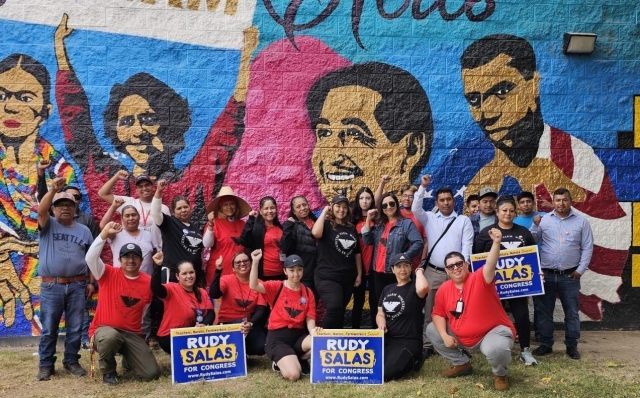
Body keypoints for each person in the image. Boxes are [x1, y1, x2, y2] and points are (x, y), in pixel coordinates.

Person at [460, 34, 627, 320]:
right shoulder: (476, 169)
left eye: (501, 91)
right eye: (475, 99)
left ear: (533, 85)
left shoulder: (574, 157)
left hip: (560, 289)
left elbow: (608, 248)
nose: (486, 112)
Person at [54, 14, 258, 225]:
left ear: (167, 125)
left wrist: (246, 58)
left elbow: (224, 135)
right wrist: (60, 51)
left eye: (147, 119)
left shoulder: (189, 184)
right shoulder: (108, 176)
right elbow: (76, 123)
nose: (137, 131)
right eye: (126, 122)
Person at [0, 52, 74, 331]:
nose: (10, 107)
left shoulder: (61, 171)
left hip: (51, 279)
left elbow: (65, 230)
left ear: (46, 111)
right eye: (2, 95)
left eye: (25, 98)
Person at [307, 62, 433, 201]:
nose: (333, 159)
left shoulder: (417, 220)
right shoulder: (320, 222)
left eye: (354, 133)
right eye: (324, 134)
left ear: (412, 151)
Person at [426, 228, 515, 391]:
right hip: (461, 336)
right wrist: (445, 335)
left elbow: (491, 263)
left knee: (495, 348)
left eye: (459, 263)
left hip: (491, 333)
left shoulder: (480, 278)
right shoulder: (444, 289)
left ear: (466, 264)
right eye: (451, 266)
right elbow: (437, 314)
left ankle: (500, 374)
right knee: (432, 329)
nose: (456, 268)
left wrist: (496, 243)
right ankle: (462, 364)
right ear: (446, 270)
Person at [85, 221, 160, 385]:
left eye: (135, 257)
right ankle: (109, 371)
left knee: (151, 373)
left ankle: (129, 359)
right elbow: (90, 258)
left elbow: (150, 306)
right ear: (119, 259)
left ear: (141, 261)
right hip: (105, 330)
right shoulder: (107, 273)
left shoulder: (148, 282)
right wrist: (104, 234)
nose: (130, 260)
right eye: (126, 256)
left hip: (132, 334)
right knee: (110, 337)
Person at [36, 177, 93, 381]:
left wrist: (91, 282)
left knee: (75, 327)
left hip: (78, 284)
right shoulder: (48, 224)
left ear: (75, 207)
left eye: (69, 204)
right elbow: (40, 210)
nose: (65, 208)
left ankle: (71, 361)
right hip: (52, 285)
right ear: (53, 209)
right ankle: (45, 364)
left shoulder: (84, 230)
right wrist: (53, 190)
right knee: (50, 327)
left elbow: (92, 257)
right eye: (60, 205)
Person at [411, 175, 473, 360]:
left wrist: (464, 269)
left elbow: (467, 246)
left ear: (454, 201)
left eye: (449, 199)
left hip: (457, 273)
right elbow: (415, 208)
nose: (446, 203)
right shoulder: (429, 218)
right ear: (437, 202)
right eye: (442, 200)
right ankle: (428, 344)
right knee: (430, 309)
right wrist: (423, 187)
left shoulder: (463, 221)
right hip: (434, 272)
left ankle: (460, 342)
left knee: (459, 309)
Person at [473, 196, 538, 366]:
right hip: (494, 287)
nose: (508, 213)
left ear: (515, 213)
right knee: (492, 318)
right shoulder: (486, 233)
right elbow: (477, 261)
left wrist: (537, 274)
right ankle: (492, 349)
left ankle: (525, 350)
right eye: (504, 210)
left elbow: (533, 257)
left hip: (517, 286)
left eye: (511, 210)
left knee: (522, 316)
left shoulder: (524, 233)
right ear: (497, 212)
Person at [530, 188, 594, 360]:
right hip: (547, 274)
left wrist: (580, 270)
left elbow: (588, 247)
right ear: (554, 201)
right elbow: (532, 240)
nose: (561, 203)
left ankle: (572, 345)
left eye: (564, 199)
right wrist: (535, 224)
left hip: (570, 275)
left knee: (572, 312)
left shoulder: (582, 222)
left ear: (570, 201)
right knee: (544, 311)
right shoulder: (544, 221)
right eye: (557, 200)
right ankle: (546, 344)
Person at [249, 251, 318, 381]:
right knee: (293, 375)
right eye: (291, 270)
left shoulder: (308, 292)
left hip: (298, 337)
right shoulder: (277, 286)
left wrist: (313, 332)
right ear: (285, 271)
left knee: (320, 342)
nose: (296, 274)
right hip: (278, 339)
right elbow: (254, 285)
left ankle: (299, 357)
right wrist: (255, 262)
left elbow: (310, 317)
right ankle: (279, 362)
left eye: (299, 270)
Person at [362, 192, 423, 325]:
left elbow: (418, 243)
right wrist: (368, 220)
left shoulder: (406, 224)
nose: (388, 207)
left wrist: (403, 258)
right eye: (384, 205)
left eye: (391, 203)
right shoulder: (379, 225)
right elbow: (367, 240)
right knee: (379, 307)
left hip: (396, 274)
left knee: (397, 305)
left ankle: (395, 337)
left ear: (396, 204)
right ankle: (380, 335)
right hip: (378, 272)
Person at [312, 195, 363, 329]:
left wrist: (359, 274)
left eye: (344, 207)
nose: (341, 210)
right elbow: (316, 233)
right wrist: (324, 212)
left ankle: (336, 344)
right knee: (334, 307)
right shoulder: (327, 225)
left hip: (347, 277)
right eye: (338, 206)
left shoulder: (351, 228)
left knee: (339, 312)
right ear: (332, 207)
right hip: (327, 276)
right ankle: (322, 341)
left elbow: (357, 252)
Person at [377, 253, 430, 380]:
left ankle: (415, 360)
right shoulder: (387, 289)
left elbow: (423, 288)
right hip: (389, 339)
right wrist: (381, 324)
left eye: (406, 265)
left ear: (411, 268)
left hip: (409, 341)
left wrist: (419, 272)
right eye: (399, 266)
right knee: (372, 367)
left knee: (385, 374)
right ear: (392, 269)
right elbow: (380, 313)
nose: (403, 269)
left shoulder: (415, 287)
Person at [151, 252, 215, 353]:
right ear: (177, 276)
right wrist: (158, 266)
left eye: (191, 272)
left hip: (193, 334)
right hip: (170, 336)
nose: (189, 276)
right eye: (184, 273)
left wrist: (204, 324)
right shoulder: (172, 288)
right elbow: (156, 288)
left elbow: (211, 313)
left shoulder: (202, 292)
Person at [151, 179, 209, 285]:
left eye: (185, 207)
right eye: (179, 208)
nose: (183, 210)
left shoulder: (195, 228)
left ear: (190, 208)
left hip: (192, 276)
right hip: (173, 275)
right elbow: (155, 213)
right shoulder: (169, 223)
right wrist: (159, 191)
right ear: (173, 212)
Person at [210, 251, 267, 356]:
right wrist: (218, 271)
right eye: (238, 262)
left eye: (245, 261)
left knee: (261, 347)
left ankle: (242, 352)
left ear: (250, 264)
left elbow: (261, 309)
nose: (242, 263)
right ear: (233, 268)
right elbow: (214, 294)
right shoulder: (226, 280)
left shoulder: (259, 284)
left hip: (248, 324)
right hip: (228, 323)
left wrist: (250, 323)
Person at [98, 171, 170, 248]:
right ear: (136, 190)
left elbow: (168, 232)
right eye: (140, 186)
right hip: (132, 249)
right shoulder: (128, 202)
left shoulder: (163, 208)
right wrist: (116, 177)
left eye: (147, 185)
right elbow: (102, 194)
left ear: (153, 187)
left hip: (157, 251)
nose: (144, 188)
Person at [376, 175, 428, 268]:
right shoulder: (394, 215)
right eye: (404, 195)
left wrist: (422, 263)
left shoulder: (420, 216)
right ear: (400, 198)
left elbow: (425, 242)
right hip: (397, 264)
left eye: (411, 196)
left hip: (415, 262)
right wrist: (382, 183)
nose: (407, 199)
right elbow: (378, 203)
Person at [202, 187, 250, 285]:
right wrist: (211, 225)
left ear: (236, 206)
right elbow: (207, 244)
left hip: (240, 271)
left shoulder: (243, 224)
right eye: (225, 204)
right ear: (220, 207)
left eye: (232, 204)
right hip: (220, 270)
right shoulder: (214, 222)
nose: (229, 207)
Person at [100, 199, 159, 275]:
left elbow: (156, 254)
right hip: (121, 280)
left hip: (145, 280)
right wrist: (114, 206)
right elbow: (103, 226)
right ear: (122, 218)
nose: (131, 218)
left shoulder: (148, 234)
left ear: (138, 217)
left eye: (134, 215)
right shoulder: (117, 233)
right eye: (127, 216)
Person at [238, 196, 284, 281]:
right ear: (261, 211)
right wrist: (250, 220)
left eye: (272, 208)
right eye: (266, 208)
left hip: (282, 273)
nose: (269, 211)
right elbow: (244, 241)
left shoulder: (280, 227)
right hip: (264, 274)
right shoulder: (256, 227)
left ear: (276, 210)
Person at [280, 195, 318, 291]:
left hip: (320, 272)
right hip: (303, 274)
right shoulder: (291, 226)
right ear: (293, 211)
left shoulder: (317, 222)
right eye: (298, 207)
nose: (302, 208)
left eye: (304, 205)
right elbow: (285, 247)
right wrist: (288, 227)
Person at [351, 186, 375, 328]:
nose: (364, 201)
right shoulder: (352, 220)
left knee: (374, 301)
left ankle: (376, 334)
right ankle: (354, 331)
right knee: (358, 302)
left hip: (374, 267)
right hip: (357, 268)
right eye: (361, 198)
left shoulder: (377, 220)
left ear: (372, 200)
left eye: (367, 198)